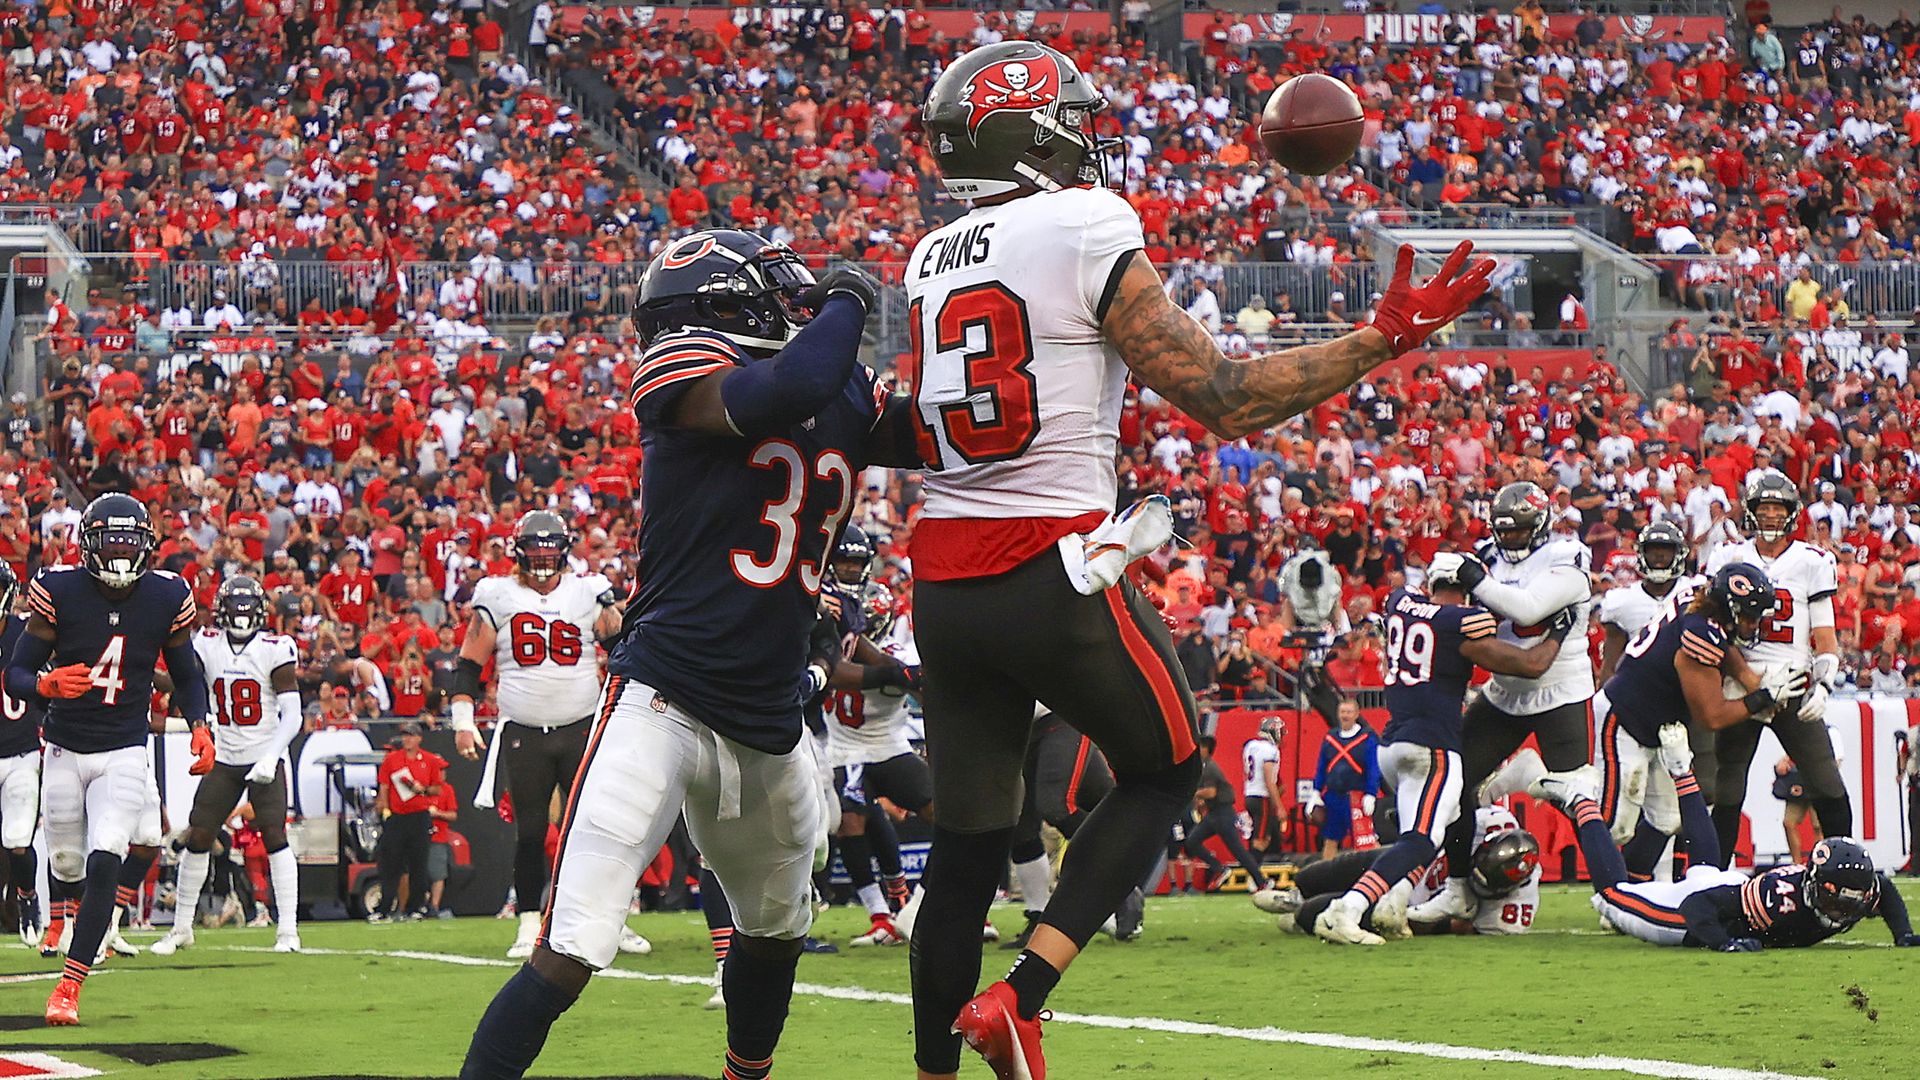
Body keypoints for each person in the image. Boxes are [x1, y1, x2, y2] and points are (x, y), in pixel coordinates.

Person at [904, 40, 1491, 1080]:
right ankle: (1019, 998)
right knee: (1170, 771)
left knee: (964, 849)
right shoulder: (1083, 223)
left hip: (944, 585)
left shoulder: (935, 253)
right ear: (1031, 134)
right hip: (1047, 562)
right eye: (1071, 119)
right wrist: (1382, 339)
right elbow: (1225, 395)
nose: (1088, 135)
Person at [460, 229, 881, 1080]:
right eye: (764, 286)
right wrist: (847, 299)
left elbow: (932, 431)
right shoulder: (680, 375)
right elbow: (789, 385)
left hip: (769, 723)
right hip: (664, 702)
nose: (786, 295)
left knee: (775, 937)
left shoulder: (834, 385)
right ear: (717, 304)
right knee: (569, 949)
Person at [9, 493, 207, 1025]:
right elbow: (17, 673)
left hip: (124, 749)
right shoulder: (60, 589)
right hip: (65, 749)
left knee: (106, 856)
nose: (121, 553)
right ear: (88, 544)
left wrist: (201, 725)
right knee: (66, 863)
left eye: (129, 541)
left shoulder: (167, 594)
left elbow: (187, 673)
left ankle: (69, 988)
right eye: (111, 540)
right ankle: (61, 922)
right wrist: (46, 683)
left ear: (146, 545)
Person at [1315, 560, 1572, 945]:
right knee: (1419, 841)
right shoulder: (1463, 623)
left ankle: (1403, 900)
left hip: (1392, 744)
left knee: (1450, 811)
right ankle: (1347, 908)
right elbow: (1529, 665)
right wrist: (1559, 631)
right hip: (1431, 747)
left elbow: (1409, 604)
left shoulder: (1399, 602)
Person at [447, 509, 631, 960]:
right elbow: (470, 663)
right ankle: (530, 921)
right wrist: (463, 721)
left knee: (595, 828)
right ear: (519, 554)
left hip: (582, 726)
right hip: (524, 730)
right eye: (535, 552)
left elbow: (625, 650)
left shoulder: (588, 591)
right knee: (530, 831)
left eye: (551, 552)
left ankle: (608, 920)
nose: (544, 563)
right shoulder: (498, 593)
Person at [1410, 481, 1594, 925]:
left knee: (1580, 800)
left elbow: (1529, 609)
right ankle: (1456, 887)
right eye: (1504, 532)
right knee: (1455, 782)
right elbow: (1444, 601)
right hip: (1504, 691)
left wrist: (1473, 575)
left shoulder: (1567, 556)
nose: (1509, 540)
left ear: (1541, 526)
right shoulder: (1486, 555)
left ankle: (1612, 890)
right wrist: (1442, 578)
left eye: (1519, 532)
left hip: (1560, 691)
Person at [1596, 564, 1804, 882]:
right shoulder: (1699, 635)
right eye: (1749, 615)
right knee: (1615, 825)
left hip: (1659, 725)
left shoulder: (1701, 600)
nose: (1754, 623)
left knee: (1667, 818)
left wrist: (1752, 682)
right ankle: (1564, 790)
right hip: (1625, 717)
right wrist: (1761, 698)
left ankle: (1631, 888)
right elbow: (1711, 717)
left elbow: (1726, 646)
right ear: (1730, 608)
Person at [1702, 471, 1852, 865]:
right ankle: (1712, 873)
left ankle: (1845, 870)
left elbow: (1825, 635)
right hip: (1739, 680)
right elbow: (1708, 623)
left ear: (1791, 513)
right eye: (1763, 507)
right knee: (1728, 783)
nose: (1770, 515)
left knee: (1825, 781)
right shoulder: (1728, 556)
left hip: (1792, 680)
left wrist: (1823, 685)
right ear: (1751, 512)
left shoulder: (1812, 561)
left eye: (1777, 508)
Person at [152, 575, 305, 956]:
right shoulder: (206, 642)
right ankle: (182, 927)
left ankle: (287, 929)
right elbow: (179, 681)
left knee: (275, 837)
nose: (240, 618)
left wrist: (271, 755)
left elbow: (293, 715)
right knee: (200, 835)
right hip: (224, 755)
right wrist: (138, 666)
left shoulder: (276, 648)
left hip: (263, 753)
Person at [822, 530, 928, 948]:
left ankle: (920, 903)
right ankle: (880, 914)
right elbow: (836, 671)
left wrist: (904, 676)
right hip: (842, 749)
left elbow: (908, 678)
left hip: (888, 746)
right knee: (850, 823)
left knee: (949, 813)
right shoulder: (828, 642)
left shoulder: (898, 655)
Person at [1271, 806, 1542, 939]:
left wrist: (1410, 920)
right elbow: (1439, 822)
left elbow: (1459, 926)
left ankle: (1297, 910)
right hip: (1412, 864)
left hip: (1416, 905)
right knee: (1313, 876)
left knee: (1313, 913)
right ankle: (1294, 893)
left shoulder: (1512, 913)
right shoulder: (1488, 821)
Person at [0, 564, 44, 947]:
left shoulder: (25, 634)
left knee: (17, 837)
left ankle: (28, 898)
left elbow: (45, 685)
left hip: (19, 751)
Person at [373, 722, 445, 922]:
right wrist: (386, 810)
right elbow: (385, 787)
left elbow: (437, 789)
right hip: (397, 816)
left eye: (411, 735)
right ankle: (385, 907)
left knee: (418, 864)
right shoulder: (392, 759)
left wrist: (422, 789)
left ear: (419, 738)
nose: (407, 739)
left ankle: (415, 907)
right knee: (391, 864)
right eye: (405, 735)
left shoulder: (430, 760)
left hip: (419, 815)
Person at [1184, 736, 1270, 892]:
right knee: (1192, 841)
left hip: (1223, 813)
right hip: (1214, 813)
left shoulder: (1209, 767)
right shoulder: (1205, 766)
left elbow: (1211, 792)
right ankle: (1219, 868)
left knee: (1238, 851)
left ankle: (1261, 881)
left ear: (1205, 748)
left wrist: (1194, 794)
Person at [1310, 699, 1378, 860]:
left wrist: (1371, 794)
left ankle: (1377, 878)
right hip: (1333, 797)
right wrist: (1316, 792)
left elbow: (1373, 768)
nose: (1345, 716)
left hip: (1356, 797)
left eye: (1348, 712)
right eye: (1342, 712)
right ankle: (1326, 878)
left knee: (1365, 841)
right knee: (1330, 840)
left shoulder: (1367, 738)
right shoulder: (1330, 738)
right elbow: (1321, 767)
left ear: (1356, 714)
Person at [1241, 717, 1284, 854]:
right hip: (1262, 798)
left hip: (1249, 795)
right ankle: (1254, 872)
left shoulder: (1251, 746)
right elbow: (1269, 780)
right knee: (1261, 840)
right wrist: (1280, 807)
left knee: (1259, 834)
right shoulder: (1270, 750)